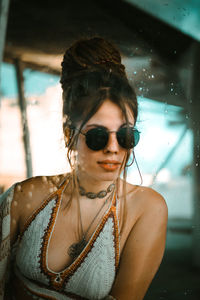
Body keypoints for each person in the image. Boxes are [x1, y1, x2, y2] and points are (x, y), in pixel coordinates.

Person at [0, 37, 168, 300]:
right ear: (69, 135)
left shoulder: (146, 208)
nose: (113, 148)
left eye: (125, 136)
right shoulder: (23, 198)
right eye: (98, 136)